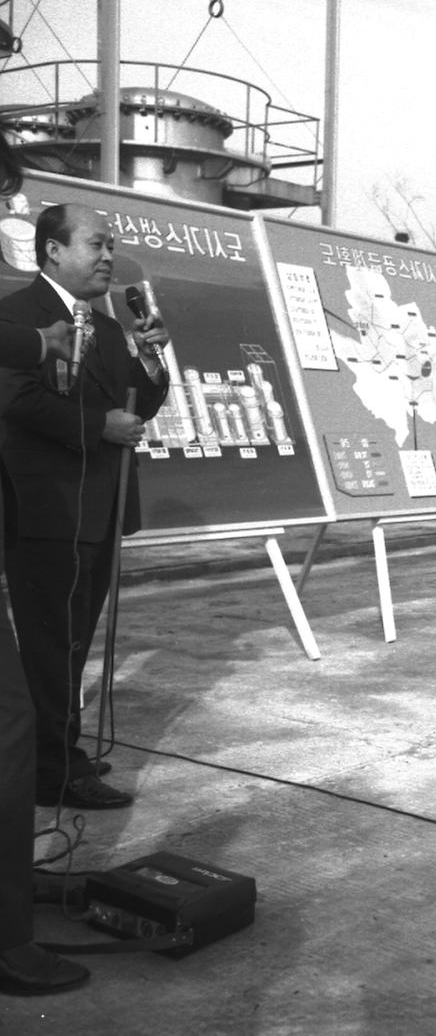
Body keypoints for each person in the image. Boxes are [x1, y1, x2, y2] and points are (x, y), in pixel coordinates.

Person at [0, 203, 170, 811]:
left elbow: (139, 405)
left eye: (111, 246)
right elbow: (16, 403)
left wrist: (151, 357)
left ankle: (58, 752)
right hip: (47, 512)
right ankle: (53, 770)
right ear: (52, 250)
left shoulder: (99, 321)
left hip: (99, 508)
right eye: (96, 245)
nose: (108, 257)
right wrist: (101, 425)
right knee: (51, 644)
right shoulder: (17, 317)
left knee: (73, 641)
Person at [0, 141, 92, 994]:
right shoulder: (27, 311)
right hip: (32, 510)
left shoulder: (111, 315)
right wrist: (36, 340)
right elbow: (27, 399)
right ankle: (7, 937)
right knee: (11, 721)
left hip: (78, 510)